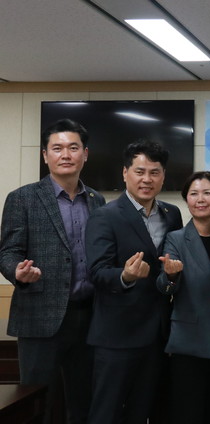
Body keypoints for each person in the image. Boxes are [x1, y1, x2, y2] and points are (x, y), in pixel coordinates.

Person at [0, 119, 105, 424]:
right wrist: (17, 272)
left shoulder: (97, 200)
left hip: (89, 317)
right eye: (57, 148)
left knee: (84, 402)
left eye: (73, 148)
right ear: (45, 155)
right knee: (38, 403)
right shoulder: (23, 198)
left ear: (85, 154)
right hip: (40, 316)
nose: (66, 155)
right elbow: (8, 251)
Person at [85, 139, 183, 424]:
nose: (147, 179)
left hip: (157, 335)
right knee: (106, 413)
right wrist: (125, 276)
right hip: (116, 335)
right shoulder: (104, 216)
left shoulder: (172, 214)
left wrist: (173, 276)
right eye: (139, 171)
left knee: (142, 413)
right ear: (125, 173)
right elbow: (96, 272)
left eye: (154, 172)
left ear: (163, 176)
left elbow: (169, 265)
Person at [156, 171, 210, 424]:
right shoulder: (176, 238)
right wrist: (171, 275)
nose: (201, 199)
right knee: (189, 412)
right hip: (190, 342)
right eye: (194, 193)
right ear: (186, 199)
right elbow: (164, 287)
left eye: (207, 193)